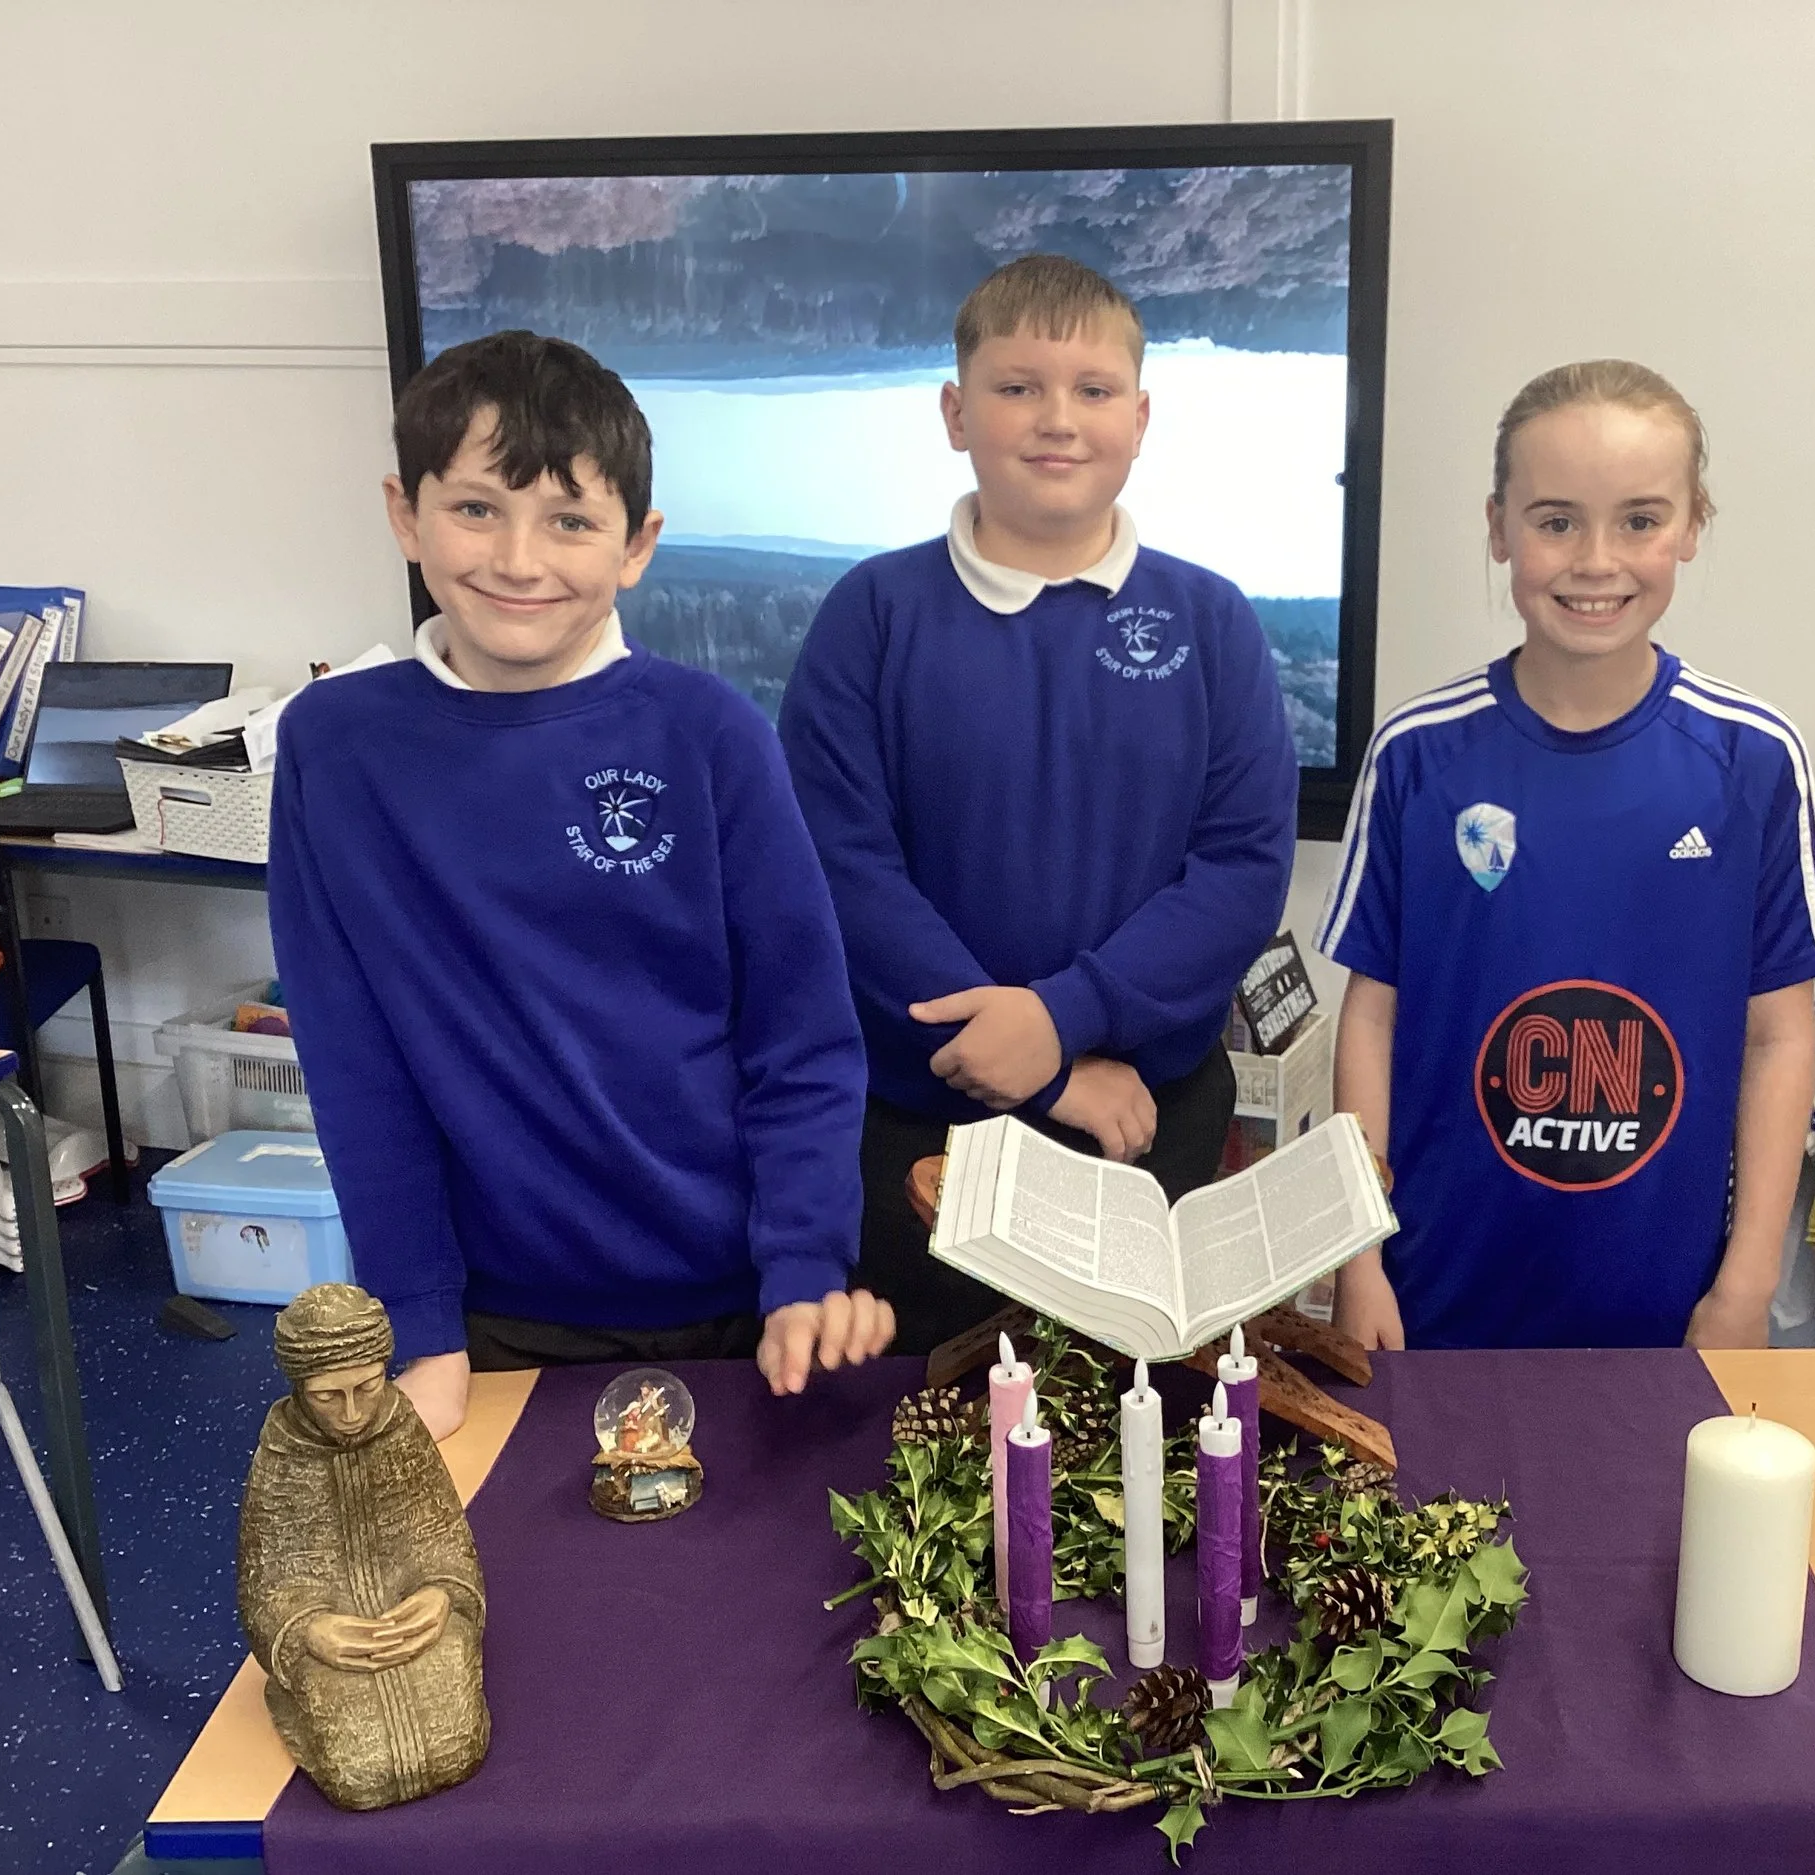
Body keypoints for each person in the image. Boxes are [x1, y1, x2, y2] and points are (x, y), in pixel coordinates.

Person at [269, 329, 892, 1440]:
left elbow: (800, 1039)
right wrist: (421, 1325)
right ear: (405, 514)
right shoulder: (334, 747)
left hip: (738, 1303)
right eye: (475, 509)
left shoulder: (711, 734)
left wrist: (804, 1266)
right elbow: (354, 1062)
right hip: (486, 1320)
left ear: (637, 544)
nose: (519, 560)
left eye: (569, 520)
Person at [779, 254, 1298, 1354]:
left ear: (1140, 418)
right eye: (1017, 387)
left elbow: (1242, 868)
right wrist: (1043, 1068)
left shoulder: (1211, 621)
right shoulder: (871, 616)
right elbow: (839, 870)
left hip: (1142, 1121)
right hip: (922, 1130)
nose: (1057, 419)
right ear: (955, 412)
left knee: (1144, 1418)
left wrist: (1066, 1017)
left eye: (1093, 390)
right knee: (927, 1420)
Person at [1317, 360, 1815, 1352]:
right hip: (1434, 1294)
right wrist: (1358, 1262)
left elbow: (1780, 1042)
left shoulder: (1752, 760)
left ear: (1692, 524)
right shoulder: (1417, 756)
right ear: (1498, 527)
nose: (1596, 560)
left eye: (1639, 520)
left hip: (1668, 1309)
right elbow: (1372, 1020)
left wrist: (1744, 1287)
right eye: (1556, 521)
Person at [237, 1284, 488, 1811]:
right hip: (329, 1641)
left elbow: (442, 1535)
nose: (352, 1412)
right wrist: (308, 1629)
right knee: (361, 1773)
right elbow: (267, 1579)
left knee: (457, 1746)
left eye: (368, 1387)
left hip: (413, 1619)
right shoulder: (282, 1452)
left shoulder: (402, 1428)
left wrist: (441, 1593)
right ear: (299, 1387)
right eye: (327, 1396)